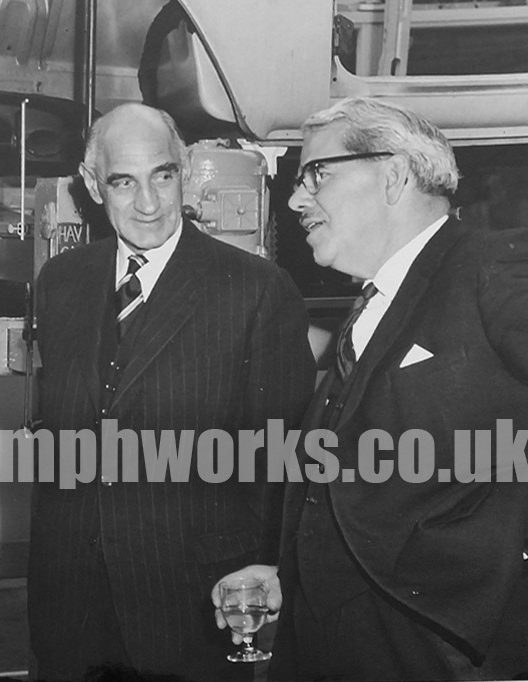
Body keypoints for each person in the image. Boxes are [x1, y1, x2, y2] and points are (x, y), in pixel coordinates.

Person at [215, 97, 528, 680]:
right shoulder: (374, 303)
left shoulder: (495, 267)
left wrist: (509, 561)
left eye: (317, 173)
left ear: (393, 175)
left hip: (444, 650)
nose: (295, 200)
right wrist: (295, 572)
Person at [28, 102, 317, 682]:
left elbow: (280, 458)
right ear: (92, 185)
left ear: (184, 170)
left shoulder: (256, 289)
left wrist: (261, 575)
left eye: (162, 176)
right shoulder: (60, 282)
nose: (149, 203)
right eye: (123, 182)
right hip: (70, 604)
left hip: (191, 604)